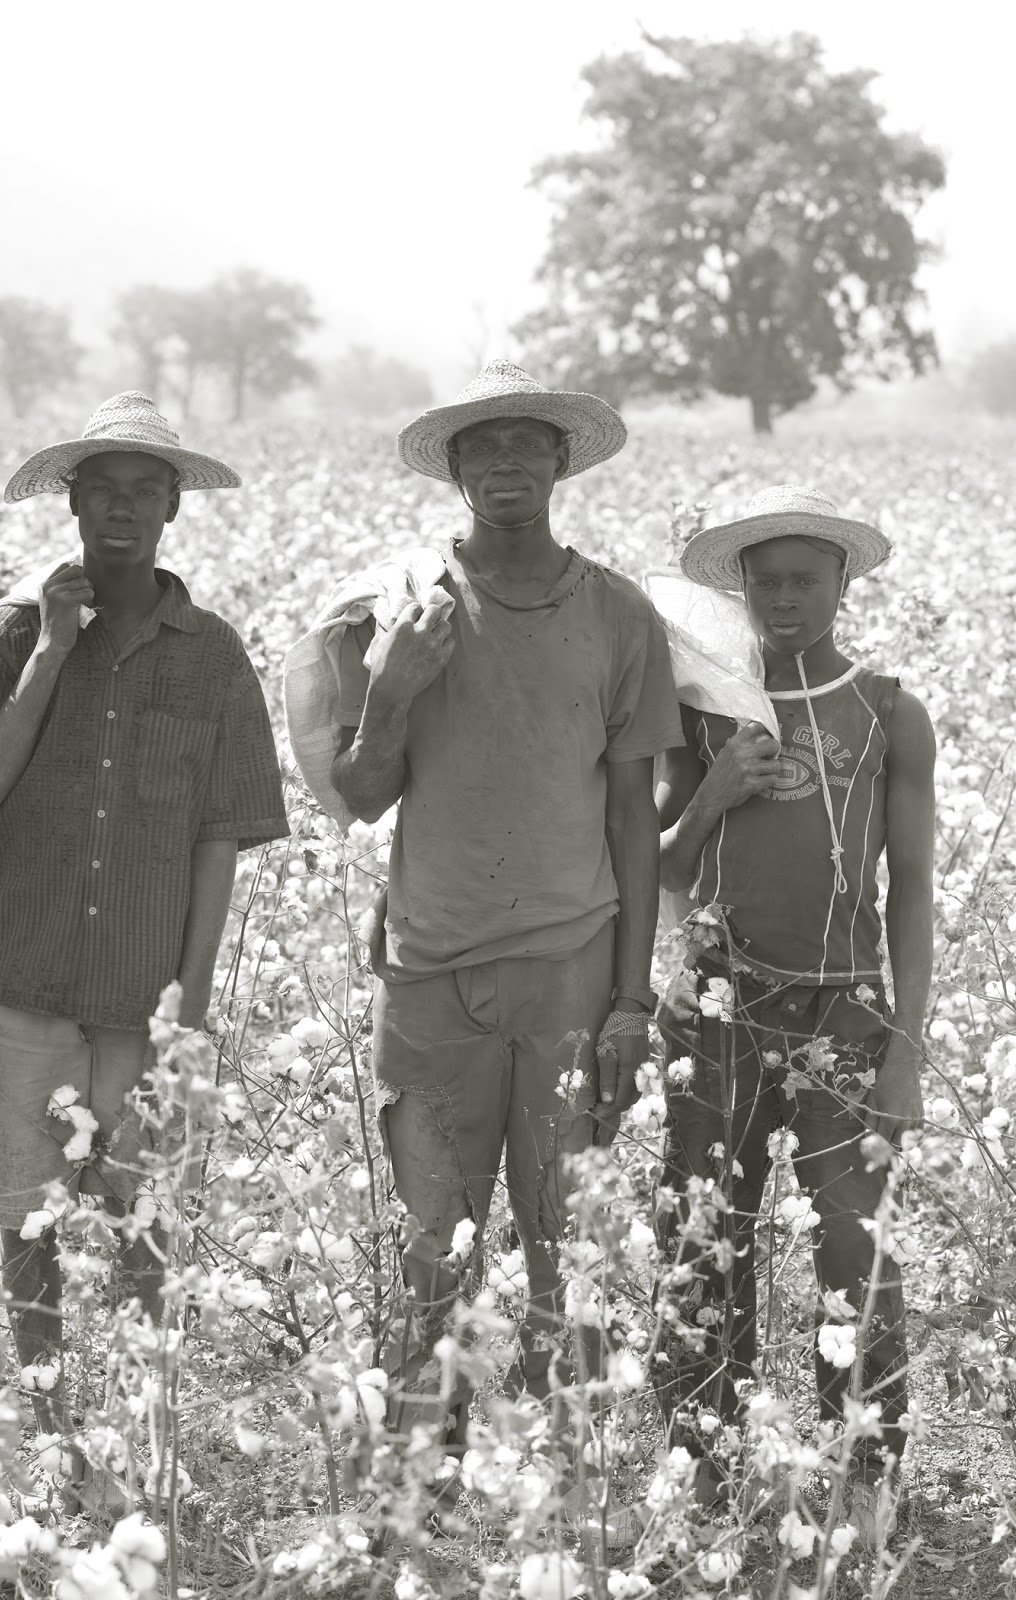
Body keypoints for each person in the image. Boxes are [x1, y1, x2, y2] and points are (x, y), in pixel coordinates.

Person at [328, 360, 682, 1520]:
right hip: (429, 972)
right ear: (456, 468)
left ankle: (558, 1492)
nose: (508, 465)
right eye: (484, 448)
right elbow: (360, 789)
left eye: (529, 444)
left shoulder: (619, 614)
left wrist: (632, 995)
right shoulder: (406, 607)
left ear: (560, 462)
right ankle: (418, 1487)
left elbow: (633, 813)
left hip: (572, 969)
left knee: (560, 1239)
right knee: (435, 1239)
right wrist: (390, 687)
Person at [0, 392, 287, 1478]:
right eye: (103, 489)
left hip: (147, 996)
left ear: (174, 506)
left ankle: (145, 1431)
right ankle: (48, 1426)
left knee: (145, 1229)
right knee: (27, 1224)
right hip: (30, 979)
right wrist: (49, 648)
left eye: (146, 490)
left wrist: (188, 1010)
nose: (123, 509)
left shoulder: (214, 656)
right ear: (71, 500)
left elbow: (218, 844)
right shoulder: (6, 636)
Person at [654, 485, 933, 1543]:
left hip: (845, 1020)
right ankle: (699, 1477)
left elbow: (910, 887)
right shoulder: (701, 707)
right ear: (738, 586)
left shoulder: (887, 709)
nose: (781, 598)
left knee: (854, 1254)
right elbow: (667, 871)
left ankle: (865, 1480)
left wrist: (903, 1049)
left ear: (841, 583)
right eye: (763, 580)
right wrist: (712, 789)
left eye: (802, 579)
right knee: (698, 1240)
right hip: (715, 1006)